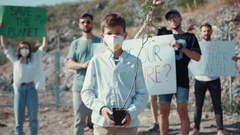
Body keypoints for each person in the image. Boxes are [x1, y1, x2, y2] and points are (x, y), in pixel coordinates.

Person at [81, 13, 149, 135]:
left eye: (117, 33)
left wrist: (131, 113)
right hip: (102, 125)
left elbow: (142, 94)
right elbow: (87, 92)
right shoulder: (96, 61)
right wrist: (101, 109)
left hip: (128, 126)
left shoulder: (135, 62)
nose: (113, 37)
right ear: (103, 37)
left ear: (125, 35)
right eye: (109, 34)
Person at [152, 1, 202, 135]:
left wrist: (180, 47)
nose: (172, 20)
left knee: (182, 111)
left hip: (181, 79)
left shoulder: (190, 37)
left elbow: (197, 57)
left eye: (175, 16)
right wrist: (153, 7)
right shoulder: (163, 34)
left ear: (180, 18)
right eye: (169, 18)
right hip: (165, 79)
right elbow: (147, 24)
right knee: (163, 111)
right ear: (168, 21)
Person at [0, 24, 48, 135]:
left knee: (33, 119)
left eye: (26, 47)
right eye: (22, 48)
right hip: (19, 90)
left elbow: (44, 46)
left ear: (29, 49)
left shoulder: (34, 58)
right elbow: (5, 46)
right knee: (18, 120)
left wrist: (45, 32)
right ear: (18, 50)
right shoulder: (15, 59)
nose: (24, 49)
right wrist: (2, 31)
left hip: (31, 89)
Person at [190, 23, 227, 135]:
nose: (206, 33)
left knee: (217, 105)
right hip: (199, 80)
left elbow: (224, 58)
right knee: (198, 105)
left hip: (214, 80)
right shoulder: (196, 46)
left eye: (208, 31)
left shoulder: (217, 46)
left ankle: (220, 129)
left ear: (211, 32)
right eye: (204, 31)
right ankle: (196, 128)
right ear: (201, 33)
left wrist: (231, 59)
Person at [67, 13, 101, 135]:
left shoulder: (100, 41)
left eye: (88, 22)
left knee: (96, 120)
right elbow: (70, 64)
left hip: (97, 88)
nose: (85, 24)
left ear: (92, 23)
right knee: (79, 120)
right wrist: (83, 65)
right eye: (83, 22)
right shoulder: (75, 44)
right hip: (79, 87)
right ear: (79, 24)